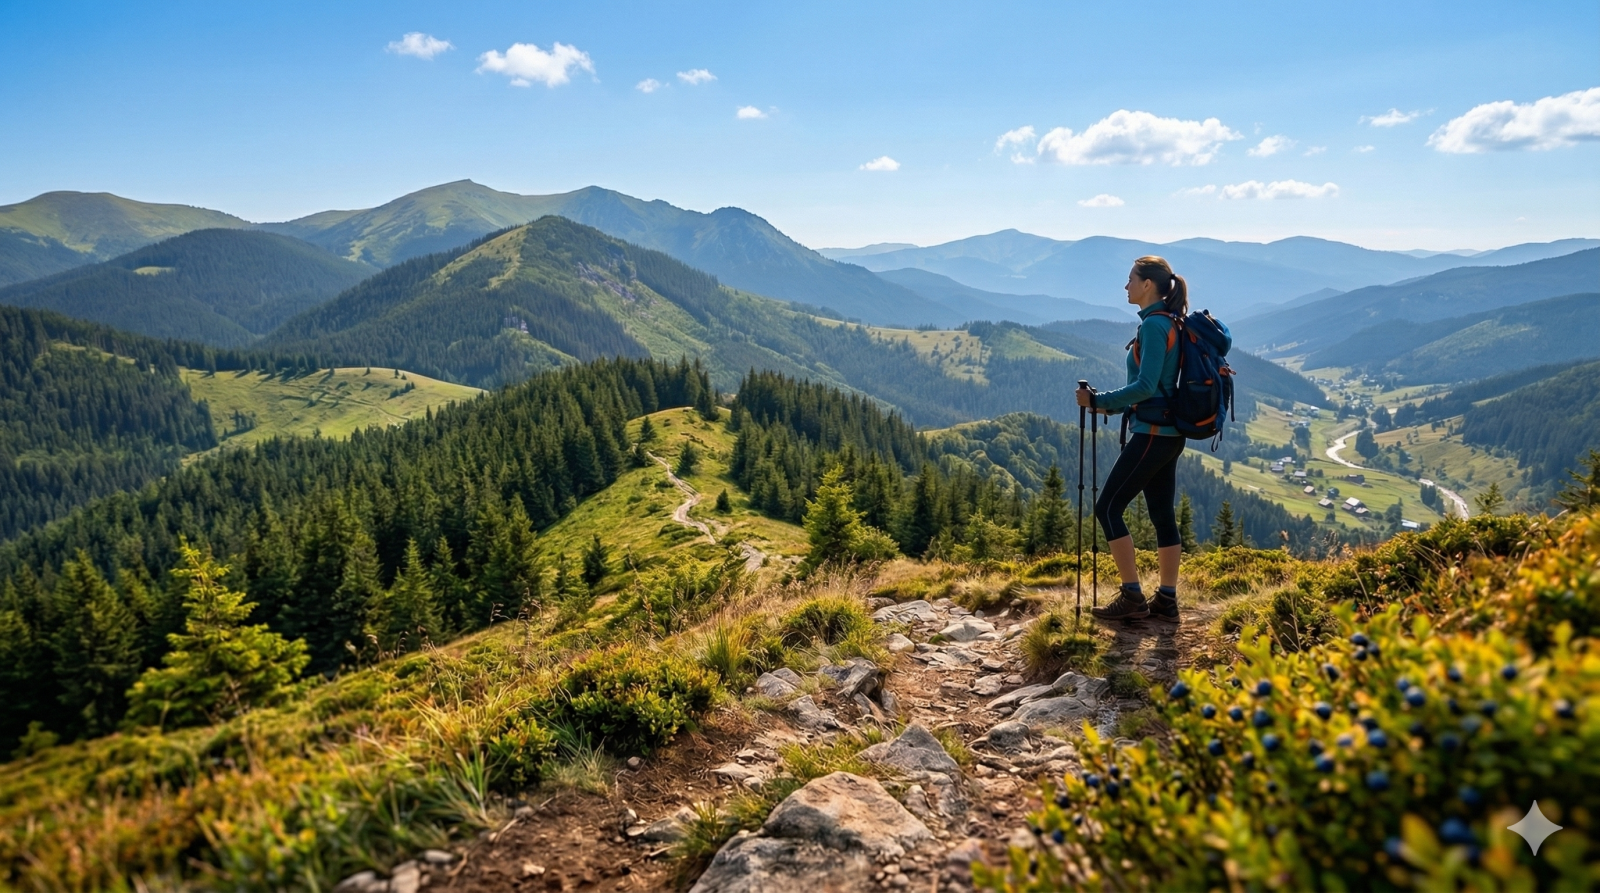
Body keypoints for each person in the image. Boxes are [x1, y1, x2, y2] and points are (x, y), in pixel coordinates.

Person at [1075, 255, 1188, 622]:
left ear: (1147, 285)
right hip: (1169, 434)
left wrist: (1098, 402)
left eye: (1130, 280)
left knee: (1107, 507)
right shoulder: (1171, 321)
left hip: (1153, 434)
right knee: (1161, 514)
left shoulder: (1155, 326)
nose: (1125, 287)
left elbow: (1146, 385)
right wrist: (1107, 406)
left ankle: (1132, 597)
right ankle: (1166, 600)